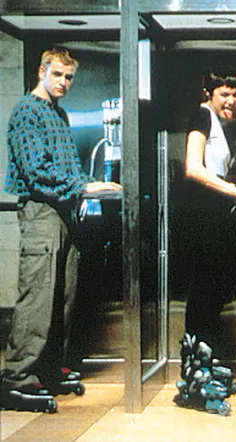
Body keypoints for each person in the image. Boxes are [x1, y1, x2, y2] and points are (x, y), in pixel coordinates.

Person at [1, 46, 122, 413]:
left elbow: (68, 167)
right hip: (41, 212)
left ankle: (48, 371)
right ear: (42, 72)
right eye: (57, 75)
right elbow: (36, 170)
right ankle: (16, 379)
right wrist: (84, 186)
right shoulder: (27, 111)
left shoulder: (59, 114)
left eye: (69, 77)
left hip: (65, 211)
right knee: (38, 297)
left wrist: (91, 185)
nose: (64, 82)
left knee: (62, 296)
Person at [182, 70, 236, 358]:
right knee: (205, 292)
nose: (232, 101)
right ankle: (195, 360)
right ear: (208, 94)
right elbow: (193, 167)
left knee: (212, 291)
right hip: (203, 215)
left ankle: (204, 359)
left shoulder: (215, 121)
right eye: (224, 94)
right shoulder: (202, 115)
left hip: (214, 214)